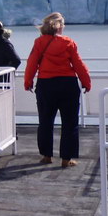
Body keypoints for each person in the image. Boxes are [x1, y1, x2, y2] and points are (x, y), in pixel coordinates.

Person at [24, 12, 92, 168]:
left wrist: (28, 82)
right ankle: (66, 159)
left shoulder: (39, 42)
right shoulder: (69, 43)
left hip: (46, 85)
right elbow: (79, 65)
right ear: (60, 26)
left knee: (45, 121)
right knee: (70, 123)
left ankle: (46, 156)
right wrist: (86, 82)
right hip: (67, 85)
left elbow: (32, 63)